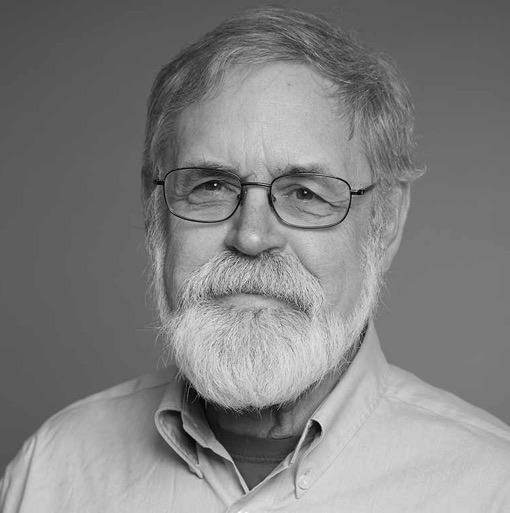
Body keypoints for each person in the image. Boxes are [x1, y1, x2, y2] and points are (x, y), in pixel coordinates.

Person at [1, 6, 509, 512]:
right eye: (212, 185)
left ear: (386, 221)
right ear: (154, 206)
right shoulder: (52, 472)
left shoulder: (491, 486)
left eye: (305, 194)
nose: (251, 235)